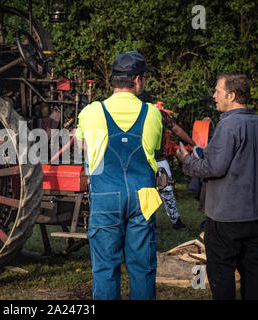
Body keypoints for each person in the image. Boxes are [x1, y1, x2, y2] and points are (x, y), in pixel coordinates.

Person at [176, 73, 258, 300]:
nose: (214, 95)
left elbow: (213, 168)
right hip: (256, 215)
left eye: (218, 91)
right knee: (253, 269)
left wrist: (186, 160)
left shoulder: (228, 126)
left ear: (232, 95)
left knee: (222, 272)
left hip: (226, 217)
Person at [75, 51, 162, 300]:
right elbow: (153, 147)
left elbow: (82, 144)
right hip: (143, 196)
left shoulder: (91, 112)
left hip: (106, 196)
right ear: (136, 80)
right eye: (144, 77)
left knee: (105, 269)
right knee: (143, 268)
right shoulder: (152, 113)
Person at [154, 102, 197, 230]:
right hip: (154, 160)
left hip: (153, 160)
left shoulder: (158, 115)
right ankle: (176, 222)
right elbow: (176, 129)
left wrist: (193, 143)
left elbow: (176, 129)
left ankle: (176, 221)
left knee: (166, 191)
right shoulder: (159, 115)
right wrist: (193, 144)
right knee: (165, 192)